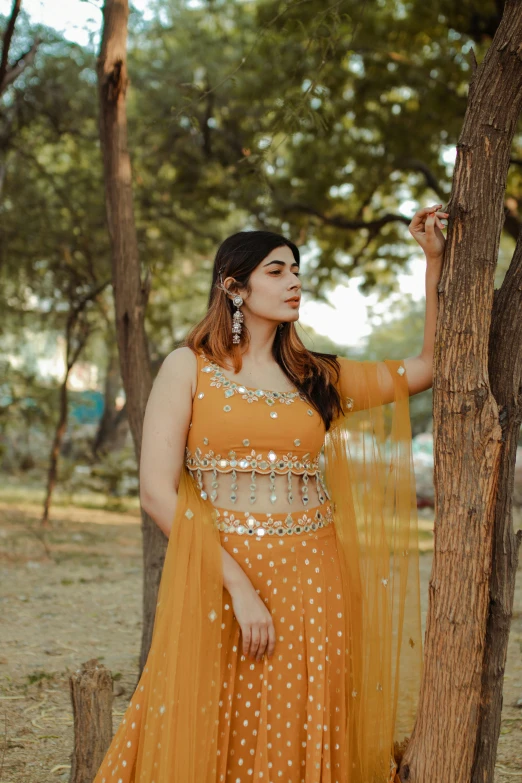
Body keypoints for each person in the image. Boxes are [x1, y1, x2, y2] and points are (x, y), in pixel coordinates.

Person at [93, 205, 447, 783]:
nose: (295, 282)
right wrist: (239, 586)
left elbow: (426, 367)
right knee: (210, 716)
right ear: (234, 287)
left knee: (297, 720)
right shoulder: (189, 368)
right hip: (219, 573)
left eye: (297, 270)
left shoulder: (316, 376)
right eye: (277, 270)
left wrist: (431, 262)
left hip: (314, 575)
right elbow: (157, 493)